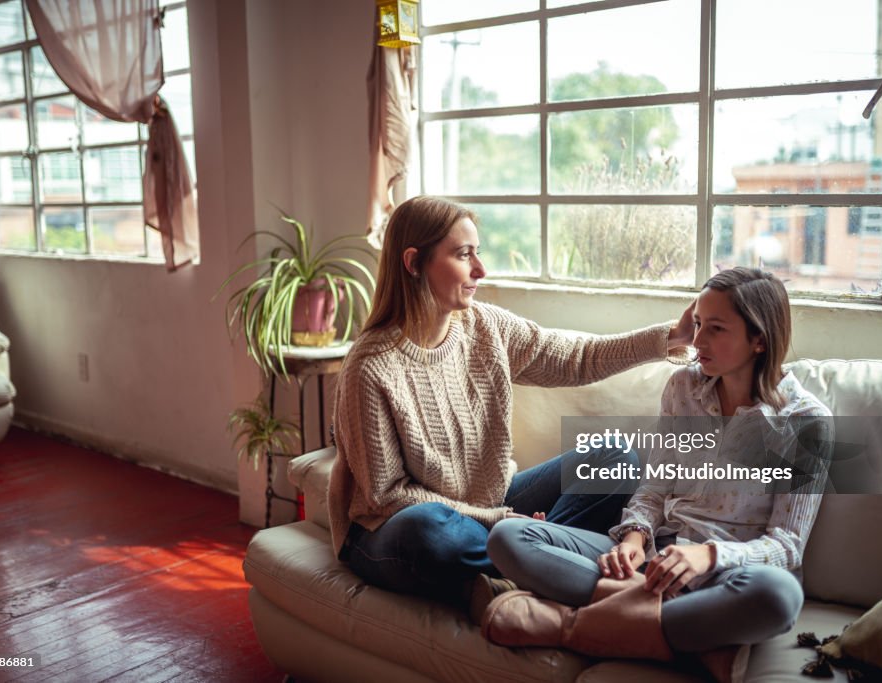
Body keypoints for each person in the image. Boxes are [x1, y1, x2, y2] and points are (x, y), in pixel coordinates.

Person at [327, 195, 695, 607]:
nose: (480, 270)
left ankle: (523, 570)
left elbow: (577, 358)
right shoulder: (370, 366)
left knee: (614, 459)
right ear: (414, 263)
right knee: (429, 529)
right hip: (391, 528)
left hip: (493, 508)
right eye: (464, 255)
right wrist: (498, 520)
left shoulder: (486, 327)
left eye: (477, 253)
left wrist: (670, 339)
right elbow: (387, 496)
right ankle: (539, 564)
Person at [481, 267, 833, 678]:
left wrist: (708, 556)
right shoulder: (682, 388)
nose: (697, 341)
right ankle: (691, 641)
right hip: (650, 563)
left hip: (726, 576)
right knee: (510, 536)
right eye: (698, 323)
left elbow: (788, 545)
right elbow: (655, 485)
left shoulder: (807, 422)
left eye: (715, 328)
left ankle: (570, 626)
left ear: (760, 339)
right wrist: (635, 536)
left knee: (778, 595)